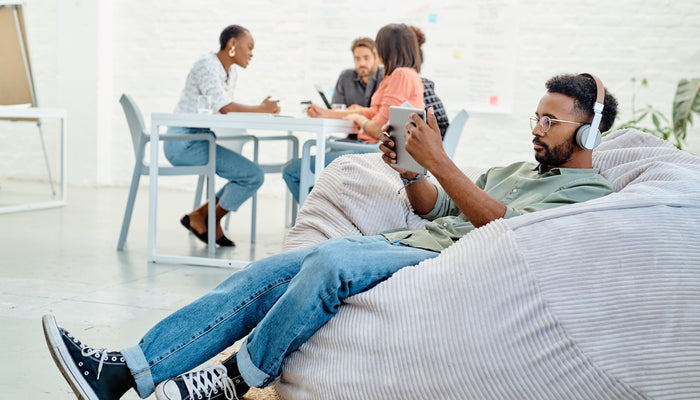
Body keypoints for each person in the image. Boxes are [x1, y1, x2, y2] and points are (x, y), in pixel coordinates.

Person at [42, 72, 619, 400]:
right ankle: (125, 370)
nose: (538, 130)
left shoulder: (593, 191)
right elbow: (436, 205)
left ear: (589, 127)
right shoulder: (518, 171)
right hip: (409, 240)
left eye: (551, 121)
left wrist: (440, 160)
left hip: (442, 262)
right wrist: (413, 170)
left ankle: (235, 378)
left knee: (329, 265)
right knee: (266, 271)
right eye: (536, 118)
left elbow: (510, 231)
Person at [164, 25, 280, 248]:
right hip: (183, 143)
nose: (251, 53)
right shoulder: (206, 65)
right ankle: (211, 219)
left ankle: (201, 216)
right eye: (249, 47)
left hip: (202, 139)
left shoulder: (229, 72)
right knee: (252, 175)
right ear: (232, 45)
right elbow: (225, 107)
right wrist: (261, 108)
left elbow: (223, 110)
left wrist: (258, 110)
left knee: (250, 175)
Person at [283, 23, 425, 202]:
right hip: (370, 148)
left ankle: (322, 219)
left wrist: (358, 117)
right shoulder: (400, 74)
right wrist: (326, 113)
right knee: (307, 166)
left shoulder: (400, 76)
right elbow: (375, 112)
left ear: (388, 49)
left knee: (293, 170)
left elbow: (381, 129)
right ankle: (327, 217)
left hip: (373, 152)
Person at [331, 37, 384, 108]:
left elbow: (385, 113)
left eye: (366, 58)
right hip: (349, 119)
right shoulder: (345, 77)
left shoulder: (385, 76)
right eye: (357, 58)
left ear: (376, 57)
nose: (362, 63)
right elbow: (337, 109)